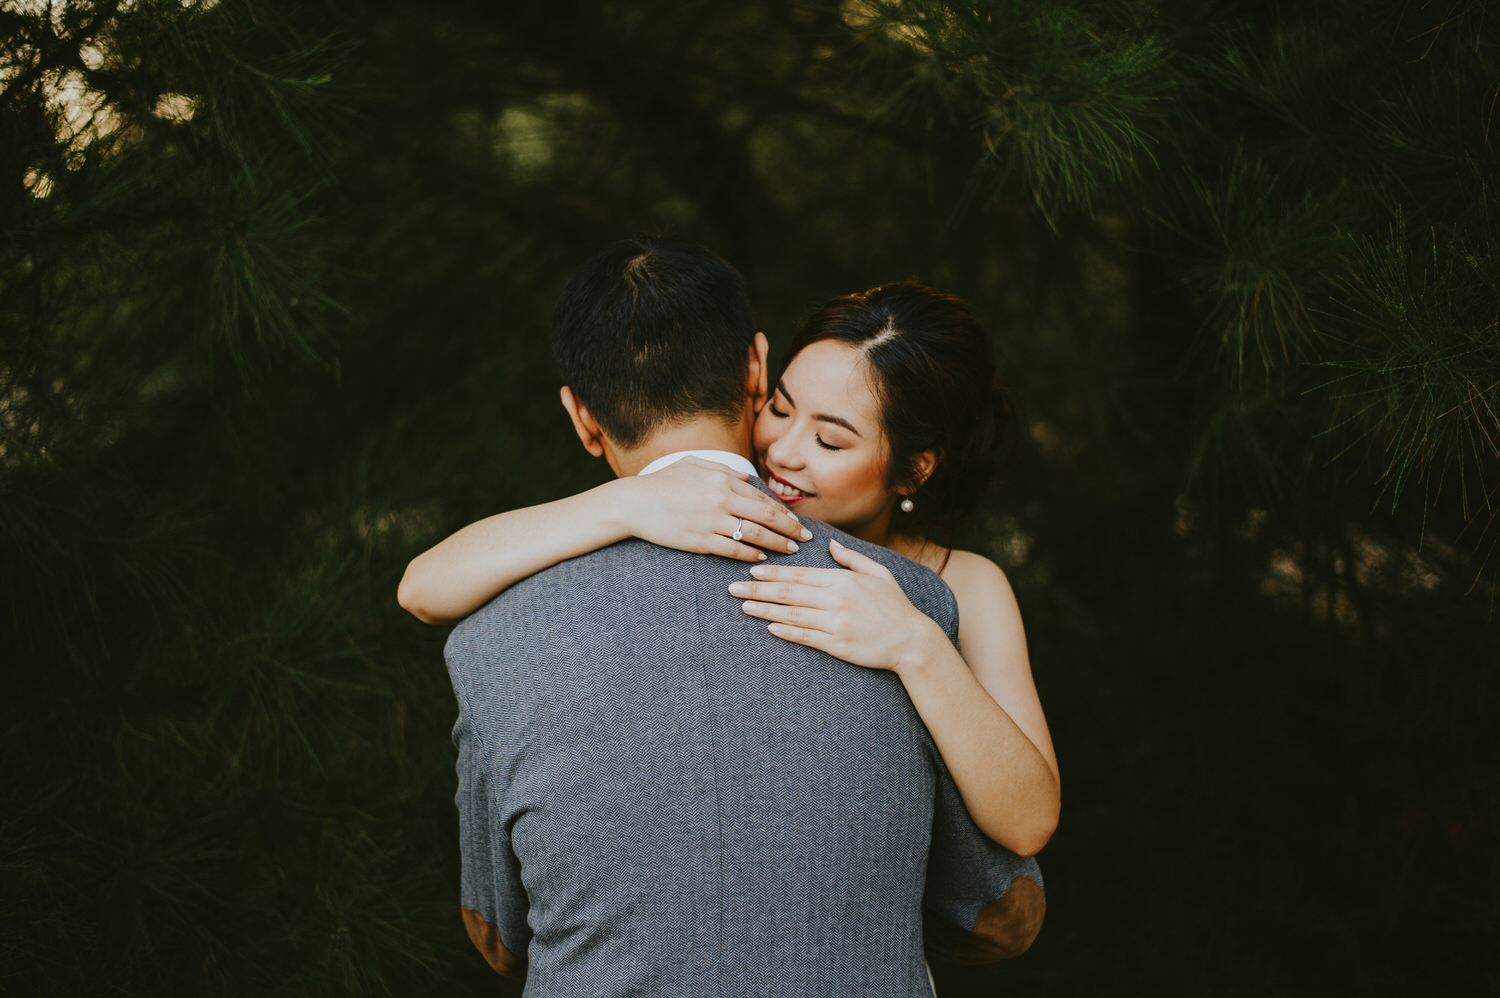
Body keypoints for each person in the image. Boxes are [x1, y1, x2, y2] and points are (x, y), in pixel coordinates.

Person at [430, 237, 1045, 995]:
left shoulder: (930, 600)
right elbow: (996, 907)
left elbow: (498, 931)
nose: (785, 452)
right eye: (783, 410)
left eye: (829, 438)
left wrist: (917, 645)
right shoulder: (904, 589)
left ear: (583, 418)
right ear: (758, 373)